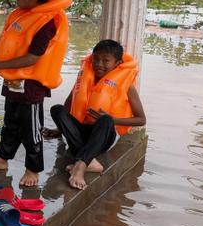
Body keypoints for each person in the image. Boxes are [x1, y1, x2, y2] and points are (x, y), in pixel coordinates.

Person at [0, 0, 72, 188]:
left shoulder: (46, 22)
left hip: (31, 85)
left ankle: (33, 169)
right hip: (13, 81)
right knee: (9, 122)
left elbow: (33, 58)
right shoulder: (24, 14)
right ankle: (3, 159)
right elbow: (11, 38)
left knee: (31, 129)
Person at [44, 39, 145, 190]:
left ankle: (81, 165)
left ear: (117, 63)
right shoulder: (85, 78)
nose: (99, 64)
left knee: (105, 120)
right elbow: (69, 102)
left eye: (106, 61)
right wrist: (61, 129)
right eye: (96, 59)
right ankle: (91, 162)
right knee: (57, 109)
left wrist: (111, 118)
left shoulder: (127, 86)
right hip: (81, 132)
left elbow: (141, 119)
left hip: (104, 135)